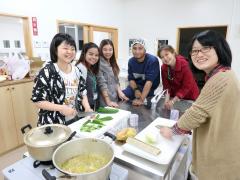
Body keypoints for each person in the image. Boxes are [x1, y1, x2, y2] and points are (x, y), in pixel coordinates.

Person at [160, 30, 240, 179]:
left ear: (220, 49)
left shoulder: (220, 79)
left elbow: (197, 112)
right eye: (195, 51)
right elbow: (167, 86)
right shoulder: (225, 73)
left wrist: (173, 130)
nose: (199, 54)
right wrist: (168, 98)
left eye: (206, 48)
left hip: (220, 155)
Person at [32, 33, 91, 125]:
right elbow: (38, 100)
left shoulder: (76, 71)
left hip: (74, 119)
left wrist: (87, 108)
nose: (70, 52)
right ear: (55, 50)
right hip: (53, 123)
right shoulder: (47, 72)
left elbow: (83, 92)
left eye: (72, 49)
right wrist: (61, 108)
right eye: (65, 48)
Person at [158, 45, 199, 110]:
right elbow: (166, 86)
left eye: (167, 54)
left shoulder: (184, 64)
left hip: (189, 95)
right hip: (175, 96)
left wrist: (173, 101)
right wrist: (166, 101)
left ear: (173, 53)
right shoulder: (164, 68)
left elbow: (187, 86)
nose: (165, 58)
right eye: (162, 57)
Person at [123, 39, 160, 106]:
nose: (137, 51)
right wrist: (136, 90)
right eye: (134, 48)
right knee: (122, 96)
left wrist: (141, 100)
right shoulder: (131, 61)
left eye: (140, 48)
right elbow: (131, 79)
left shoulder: (152, 61)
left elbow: (149, 82)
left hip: (149, 89)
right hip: (135, 87)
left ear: (145, 49)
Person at [97, 39, 129, 108]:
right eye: (105, 49)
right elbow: (102, 84)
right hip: (104, 100)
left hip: (115, 97)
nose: (108, 52)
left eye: (110, 49)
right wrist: (108, 101)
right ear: (100, 50)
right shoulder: (98, 63)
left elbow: (116, 81)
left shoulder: (112, 62)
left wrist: (120, 92)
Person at [76, 42, 100, 110]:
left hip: (91, 104)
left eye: (96, 55)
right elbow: (81, 90)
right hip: (85, 107)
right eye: (91, 54)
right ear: (84, 54)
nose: (94, 57)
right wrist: (87, 107)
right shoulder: (81, 67)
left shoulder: (90, 67)